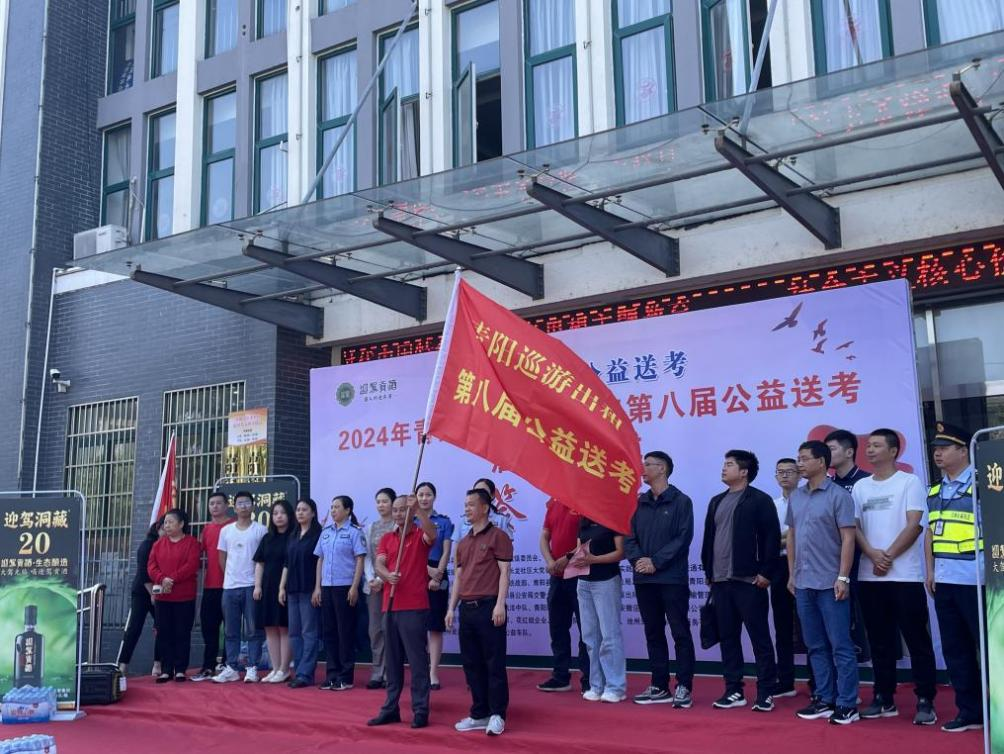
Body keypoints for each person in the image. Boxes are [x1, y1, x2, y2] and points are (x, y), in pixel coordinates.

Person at [853, 428, 938, 725]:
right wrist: (872, 554)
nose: (870, 449)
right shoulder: (860, 487)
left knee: (916, 640)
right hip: (870, 576)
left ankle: (925, 699)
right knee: (879, 641)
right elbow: (854, 527)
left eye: (877, 445)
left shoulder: (909, 482)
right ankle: (883, 697)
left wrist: (887, 556)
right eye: (869, 445)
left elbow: (915, 525)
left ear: (893, 451)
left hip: (905, 577)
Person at [700, 450, 780, 712]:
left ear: (744, 472)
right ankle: (733, 690)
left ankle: (766, 692)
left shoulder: (759, 500)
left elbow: (771, 539)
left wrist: (766, 573)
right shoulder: (716, 501)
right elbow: (708, 539)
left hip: (749, 581)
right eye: (724, 464)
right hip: (720, 581)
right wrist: (709, 572)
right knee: (728, 638)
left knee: (760, 638)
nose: (724, 468)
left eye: (730, 464)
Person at [787, 441, 859, 725]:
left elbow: (848, 538)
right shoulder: (796, 496)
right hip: (803, 582)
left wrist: (843, 576)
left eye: (805, 459)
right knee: (815, 645)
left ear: (821, 462)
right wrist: (792, 574)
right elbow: (792, 537)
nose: (800, 464)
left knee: (841, 645)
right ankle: (825, 698)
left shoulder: (839, 496)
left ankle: (847, 702)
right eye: (798, 458)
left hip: (831, 582)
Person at [925, 422, 984, 733]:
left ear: (964, 451)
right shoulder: (935, 490)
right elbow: (929, 534)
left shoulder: (985, 483)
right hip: (945, 581)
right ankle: (970, 712)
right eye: (936, 448)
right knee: (956, 650)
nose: (938, 454)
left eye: (945, 448)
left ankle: (997, 710)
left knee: (990, 649)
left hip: (978, 581)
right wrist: (930, 571)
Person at [625, 451, 695, 708]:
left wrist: (656, 561)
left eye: (648, 464)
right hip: (644, 579)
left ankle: (684, 685)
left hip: (671, 578)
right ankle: (659, 684)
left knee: (679, 632)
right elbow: (628, 537)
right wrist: (638, 561)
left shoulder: (681, 501)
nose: (642, 469)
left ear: (662, 469)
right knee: (653, 632)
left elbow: (682, 538)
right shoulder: (638, 503)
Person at [367, 495, 439, 728]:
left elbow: (433, 534)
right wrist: (387, 575)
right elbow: (379, 563)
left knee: (417, 662)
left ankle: (420, 710)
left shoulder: (419, 535)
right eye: (396, 510)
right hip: (389, 605)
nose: (398, 514)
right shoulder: (387, 538)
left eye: (402, 510)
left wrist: (418, 510)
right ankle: (390, 708)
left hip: (414, 606)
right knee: (392, 661)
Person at [447, 488, 513, 737]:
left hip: (489, 607)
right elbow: (459, 578)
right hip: (467, 608)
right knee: (472, 664)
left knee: (494, 662)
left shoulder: (498, 536)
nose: (467, 509)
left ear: (485, 508)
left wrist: (500, 603)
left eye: (471, 504)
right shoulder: (463, 543)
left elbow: (505, 572)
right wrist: (451, 608)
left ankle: (497, 714)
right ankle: (479, 713)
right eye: (465, 505)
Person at [824, 428, 872, 665]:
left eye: (831, 449)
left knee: (867, 617)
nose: (826, 454)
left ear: (850, 451)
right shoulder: (827, 485)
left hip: (865, 561)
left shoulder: (866, 481)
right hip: (832, 561)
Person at [536, 498, 590, 694]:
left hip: (580, 575)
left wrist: (567, 558)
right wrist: (550, 561)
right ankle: (560, 676)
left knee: (586, 630)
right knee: (558, 628)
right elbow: (544, 537)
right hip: (557, 577)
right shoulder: (554, 504)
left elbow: (589, 539)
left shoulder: (584, 504)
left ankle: (589, 679)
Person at [212, 491, 267, 683]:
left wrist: (257, 583)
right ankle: (232, 668)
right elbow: (222, 558)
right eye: (240, 503)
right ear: (234, 508)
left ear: (253, 506)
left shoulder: (261, 530)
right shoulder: (226, 531)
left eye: (247, 503)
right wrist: (230, 576)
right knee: (231, 630)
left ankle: (252, 668)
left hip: (252, 585)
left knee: (253, 630)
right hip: (230, 587)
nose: (243, 506)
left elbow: (263, 560)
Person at [314, 494, 366, 690]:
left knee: (345, 632)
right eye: (332, 507)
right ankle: (332, 674)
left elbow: (360, 560)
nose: (333, 510)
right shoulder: (325, 532)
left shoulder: (354, 532)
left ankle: (346, 676)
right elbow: (320, 559)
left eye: (337, 507)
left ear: (347, 510)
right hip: (327, 586)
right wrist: (317, 587)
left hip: (345, 587)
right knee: (329, 632)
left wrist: (354, 587)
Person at [575, 513, 627, 705]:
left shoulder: (612, 519)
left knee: (609, 635)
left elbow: (621, 552)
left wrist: (594, 559)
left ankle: (616, 687)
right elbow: (579, 549)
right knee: (590, 637)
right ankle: (596, 685)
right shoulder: (583, 521)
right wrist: (573, 559)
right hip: (583, 582)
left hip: (606, 581)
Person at [147, 508, 201, 683]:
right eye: (165, 522)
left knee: (182, 633)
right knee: (164, 633)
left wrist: (172, 579)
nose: (167, 525)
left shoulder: (192, 543)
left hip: (184, 596)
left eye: (170, 522)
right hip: (163, 597)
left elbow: (192, 565)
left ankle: (180, 670)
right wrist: (162, 579)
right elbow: (151, 566)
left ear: (181, 524)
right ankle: (166, 670)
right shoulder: (158, 544)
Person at [279, 498, 323, 688]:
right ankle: (299, 670)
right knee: (294, 633)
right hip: (292, 589)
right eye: (298, 510)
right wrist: (281, 587)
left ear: (313, 513)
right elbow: (287, 564)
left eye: (304, 510)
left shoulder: (318, 535)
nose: (300, 513)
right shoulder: (293, 535)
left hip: (308, 589)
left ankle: (306, 673)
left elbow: (320, 562)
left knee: (309, 632)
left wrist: (317, 588)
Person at [416, 482, 454, 690]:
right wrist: (426, 570)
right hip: (416, 573)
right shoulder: (411, 521)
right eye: (420, 495)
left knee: (435, 626)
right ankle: (420, 670)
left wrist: (437, 574)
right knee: (416, 626)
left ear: (434, 497)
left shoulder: (444, 522)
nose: (424, 498)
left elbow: (446, 550)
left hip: (438, 572)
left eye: (428, 494)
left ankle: (433, 673)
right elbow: (409, 552)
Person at [191, 491, 232, 681]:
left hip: (231, 585)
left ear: (226, 505)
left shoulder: (234, 526)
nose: (214, 506)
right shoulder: (207, 529)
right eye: (211, 503)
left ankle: (228, 665)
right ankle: (208, 666)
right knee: (209, 627)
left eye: (218, 503)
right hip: (210, 585)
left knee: (230, 628)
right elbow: (197, 554)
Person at [253, 499, 294, 683]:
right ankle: (275, 668)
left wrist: (283, 587)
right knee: (270, 627)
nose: (279, 516)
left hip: (286, 587)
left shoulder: (294, 536)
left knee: (284, 627)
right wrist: (257, 586)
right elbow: (260, 564)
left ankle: (285, 669)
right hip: (268, 587)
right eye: (275, 513)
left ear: (289, 515)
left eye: (282, 513)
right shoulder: (267, 538)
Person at [117, 518, 164, 676]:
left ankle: (158, 664)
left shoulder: (167, 545)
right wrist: (152, 593)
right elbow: (143, 572)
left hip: (159, 590)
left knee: (162, 626)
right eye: (165, 526)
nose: (168, 529)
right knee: (135, 627)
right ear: (158, 527)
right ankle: (123, 665)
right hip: (142, 590)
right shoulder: (147, 545)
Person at [770, 458, 799, 698]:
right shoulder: (772, 505)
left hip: (806, 564)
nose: (785, 475)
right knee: (782, 625)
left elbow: (804, 535)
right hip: (779, 566)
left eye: (790, 471)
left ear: (799, 475)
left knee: (810, 627)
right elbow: (769, 540)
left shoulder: (808, 500)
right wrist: (789, 537)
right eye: (780, 472)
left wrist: (788, 537)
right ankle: (786, 680)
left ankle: (818, 682)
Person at [363, 487, 396, 690]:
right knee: (375, 630)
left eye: (385, 501)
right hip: (374, 587)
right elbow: (367, 556)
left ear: (393, 503)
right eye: (378, 501)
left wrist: (382, 578)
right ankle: (377, 672)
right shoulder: (370, 528)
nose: (381, 505)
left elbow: (397, 557)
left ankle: (391, 673)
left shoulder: (398, 526)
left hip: (393, 584)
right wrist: (371, 578)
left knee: (391, 629)